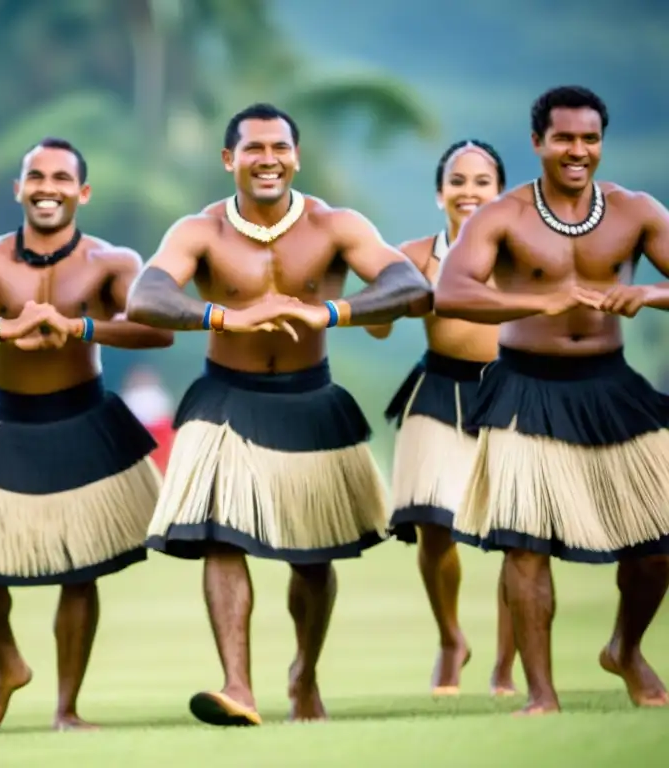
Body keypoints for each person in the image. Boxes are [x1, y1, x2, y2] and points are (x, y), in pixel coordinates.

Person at [125, 103, 432, 726]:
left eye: (279, 148)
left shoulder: (334, 225)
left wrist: (331, 313)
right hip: (225, 398)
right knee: (220, 536)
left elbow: (412, 287)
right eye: (253, 149)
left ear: (296, 155)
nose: (267, 159)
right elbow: (145, 297)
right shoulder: (201, 231)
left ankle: (304, 674)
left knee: (312, 558)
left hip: (308, 397)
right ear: (228, 159)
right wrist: (220, 315)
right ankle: (237, 686)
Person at [0, 137, 174, 731]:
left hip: (84, 419)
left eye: (60, 178)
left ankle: (67, 710)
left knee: (81, 571)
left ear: (83, 191)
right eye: (36, 176)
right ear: (19, 188)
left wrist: (77, 327)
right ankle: (8, 663)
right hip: (11, 419)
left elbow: (158, 329)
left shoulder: (111, 261)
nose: (47, 187)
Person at [435, 85, 669, 714]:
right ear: (538, 142)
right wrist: (538, 301)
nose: (577, 150)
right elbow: (451, 292)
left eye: (589, 138)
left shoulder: (636, 210)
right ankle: (541, 695)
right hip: (525, 388)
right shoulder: (503, 215)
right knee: (526, 543)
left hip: (611, 385)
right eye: (564, 138)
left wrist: (647, 294)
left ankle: (625, 647)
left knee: (658, 542)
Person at [366, 140, 517, 696]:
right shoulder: (415, 254)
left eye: (482, 182)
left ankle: (507, 661)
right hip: (437, 388)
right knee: (432, 521)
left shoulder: (522, 252)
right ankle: (451, 638)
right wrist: (393, 296)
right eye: (458, 181)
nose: (470, 192)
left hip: (512, 392)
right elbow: (377, 327)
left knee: (516, 533)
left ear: (501, 193)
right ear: (439, 193)